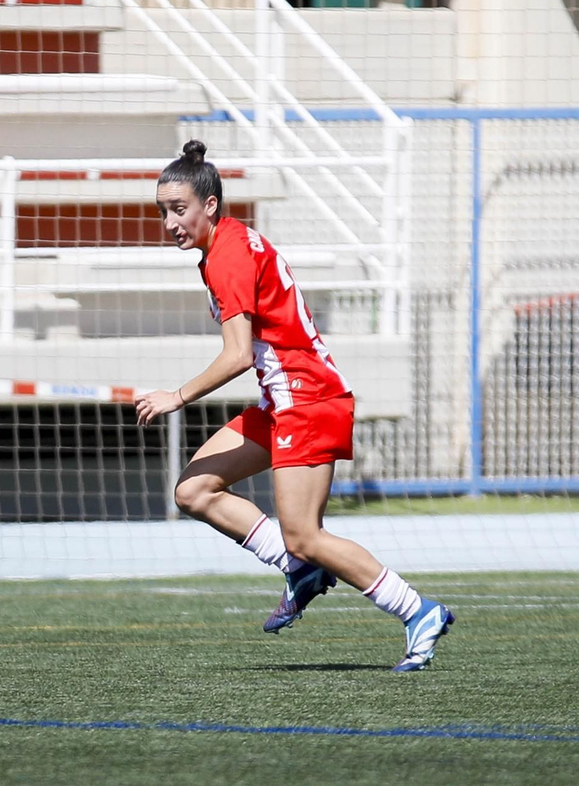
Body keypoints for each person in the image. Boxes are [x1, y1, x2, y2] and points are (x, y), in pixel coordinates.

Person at [135, 141, 454, 671]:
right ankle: (298, 568)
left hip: (307, 398)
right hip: (283, 398)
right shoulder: (225, 247)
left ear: (210, 205)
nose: (170, 221)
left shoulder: (227, 256)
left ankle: (417, 609)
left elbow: (237, 355)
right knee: (194, 489)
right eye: (163, 211)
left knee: (306, 533)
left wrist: (178, 396)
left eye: (179, 209)